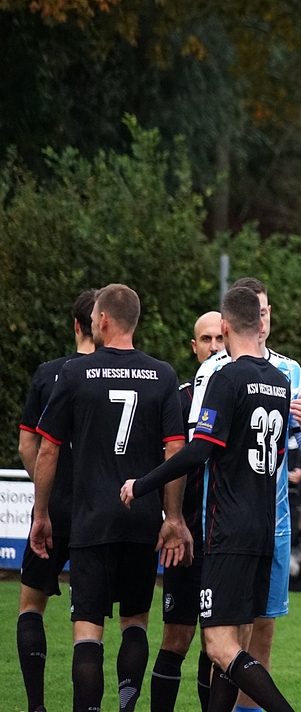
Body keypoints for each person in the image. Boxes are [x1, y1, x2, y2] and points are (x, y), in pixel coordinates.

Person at [122, 285, 296, 712]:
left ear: (226, 327)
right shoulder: (280, 381)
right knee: (236, 643)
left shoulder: (225, 377)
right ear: (260, 324)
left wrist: (142, 484)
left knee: (218, 645)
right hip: (264, 527)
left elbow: (198, 449)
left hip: (229, 528)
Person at [31, 284, 188, 712]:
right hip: (142, 519)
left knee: (88, 629)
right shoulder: (163, 375)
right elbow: (175, 450)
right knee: (135, 621)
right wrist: (172, 516)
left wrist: (41, 513)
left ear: (101, 320)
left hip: (91, 519)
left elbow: (47, 450)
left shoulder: (75, 373)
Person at [189, 277, 301, 712]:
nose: (262, 318)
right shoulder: (216, 372)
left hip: (260, 520)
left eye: (266, 309)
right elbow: (202, 436)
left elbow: (298, 443)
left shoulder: (288, 371)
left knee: (246, 636)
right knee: (226, 640)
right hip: (233, 518)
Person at [16, 289, 95, 712]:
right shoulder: (119, 375)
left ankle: (36, 707)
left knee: (31, 606)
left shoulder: (49, 374)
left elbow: (27, 445)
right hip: (97, 512)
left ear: (76, 324)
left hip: (54, 509)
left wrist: (48, 488)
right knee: (93, 621)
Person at [152, 311, 224, 712]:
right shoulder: (179, 399)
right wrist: (173, 519)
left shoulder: (238, 394)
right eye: (206, 340)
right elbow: (169, 461)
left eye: (220, 339)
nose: (214, 347)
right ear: (194, 347)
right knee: (177, 639)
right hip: (186, 536)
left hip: (225, 541)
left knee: (217, 645)